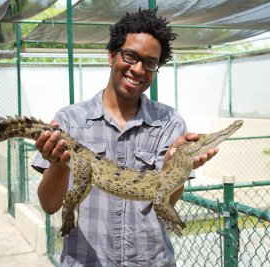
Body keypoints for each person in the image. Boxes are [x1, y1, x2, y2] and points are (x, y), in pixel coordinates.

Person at [32, 8, 218, 267]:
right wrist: (58, 163)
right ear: (111, 55)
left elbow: (165, 202)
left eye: (151, 63)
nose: (138, 69)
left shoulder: (169, 122)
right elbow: (49, 204)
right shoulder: (69, 121)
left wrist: (176, 167)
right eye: (130, 56)